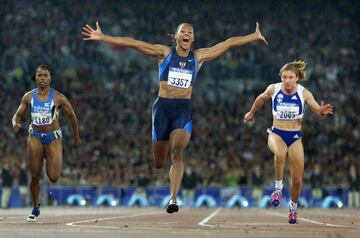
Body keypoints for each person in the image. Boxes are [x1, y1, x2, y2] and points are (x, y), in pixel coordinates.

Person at [82, 21, 268, 213]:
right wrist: (104, 37)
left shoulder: (199, 57)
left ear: (193, 39)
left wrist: (253, 36)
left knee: (177, 153)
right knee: (159, 162)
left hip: (183, 109)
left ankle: (173, 199)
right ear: (176, 37)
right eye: (183, 31)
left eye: (190, 32)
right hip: (162, 108)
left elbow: (228, 43)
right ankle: (165, 170)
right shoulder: (164, 53)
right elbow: (134, 43)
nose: (187, 33)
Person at [243, 60, 333, 224]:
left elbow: (315, 107)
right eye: (284, 77)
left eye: (290, 77)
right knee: (279, 154)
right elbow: (261, 98)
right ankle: (277, 189)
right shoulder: (274, 88)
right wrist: (251, 112)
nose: (287, 81)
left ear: (297, 77)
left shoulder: (303, 92)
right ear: (281, 77)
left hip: (295, 137)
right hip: (276, 133)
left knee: (297, 180)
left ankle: (293, 208)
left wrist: (321, 111)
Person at [12, 64, 81, 221]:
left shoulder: (58, 97)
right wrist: (15, 123)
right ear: (35, 78)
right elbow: (17, 115)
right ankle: (36, 207)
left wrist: (76, 138)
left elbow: (73, 117)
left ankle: (48, 159)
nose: (42, 78)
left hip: (53, 137)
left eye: (45, 76)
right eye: (39, 76)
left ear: (50, 78)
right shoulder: (28, 97)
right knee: (34, 175)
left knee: (54, 177)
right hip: (35, 136)